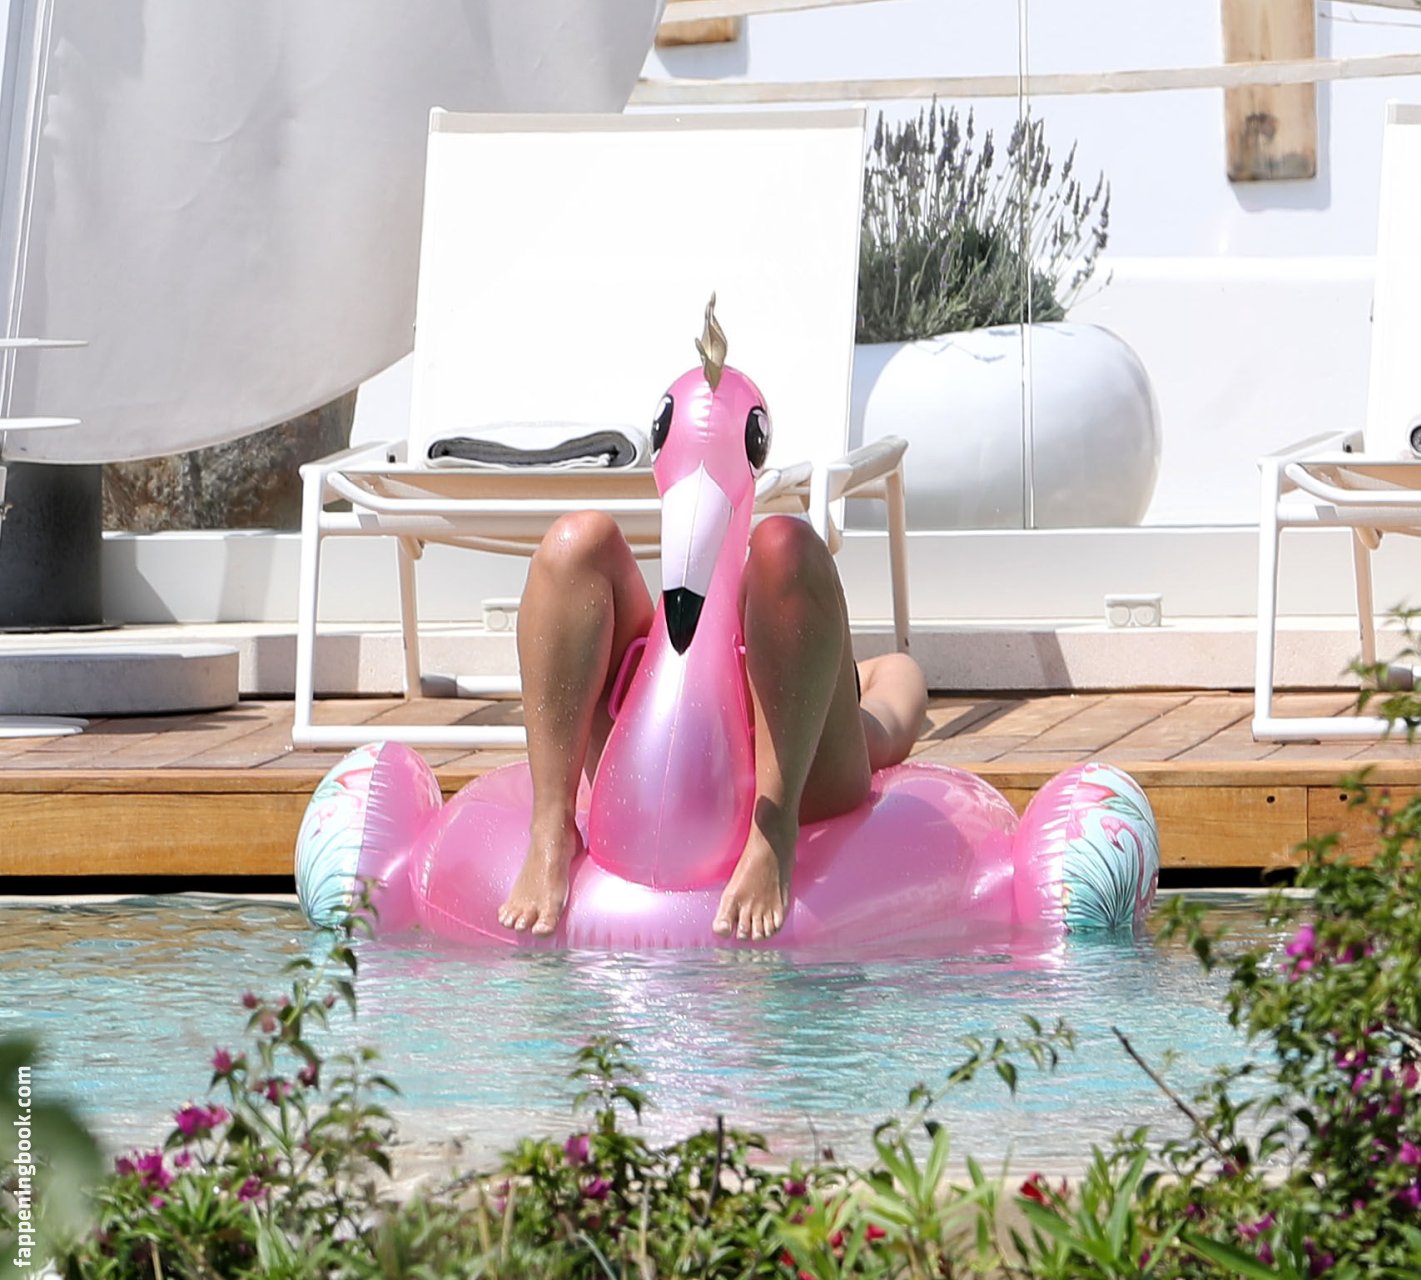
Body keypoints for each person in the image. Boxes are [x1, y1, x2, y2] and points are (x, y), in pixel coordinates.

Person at [495, 502, 928, 942]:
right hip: (663, 727)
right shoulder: (851, 706)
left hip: (752, 755)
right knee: (576, 540)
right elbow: (901, 674)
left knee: (785, 545)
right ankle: (552, 826)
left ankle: (773, 830)